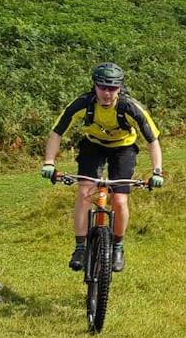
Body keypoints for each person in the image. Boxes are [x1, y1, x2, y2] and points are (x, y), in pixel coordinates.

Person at [40, 63, 164, 273]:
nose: (107, 93)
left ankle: (117, 247)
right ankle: (80, 247)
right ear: (95, 86)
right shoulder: (83, 103)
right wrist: (49, 162)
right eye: (102, 87)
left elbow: (152, 140)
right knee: (85, 192)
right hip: (93, 146)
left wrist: (157, 171)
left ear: (120, 88)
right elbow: (56, 133)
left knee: (119, 199)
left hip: (123, 149)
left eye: (112, 88)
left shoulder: (130, 107)